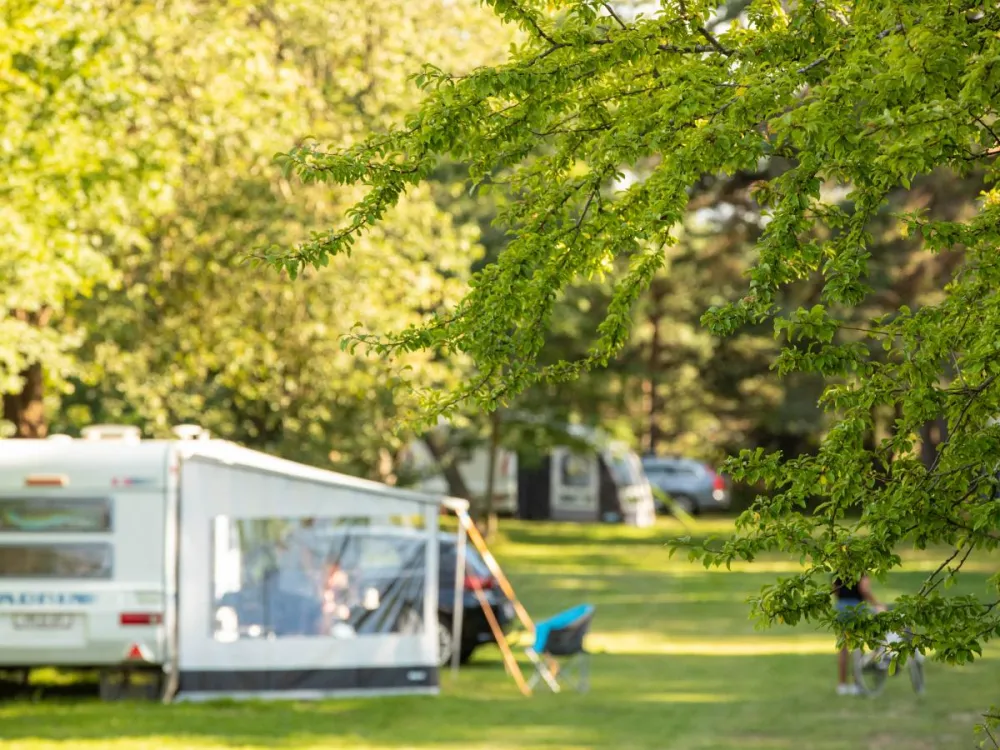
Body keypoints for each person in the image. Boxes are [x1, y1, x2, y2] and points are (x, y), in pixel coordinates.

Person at [833, 571, 884, 695]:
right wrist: (877, 604)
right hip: (856, 609)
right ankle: (857, 684)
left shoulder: (839, 569)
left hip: (840, 608)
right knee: (857, 648)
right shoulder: (861, 570)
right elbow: (864, 589)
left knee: (843, 648)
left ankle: (842, 685)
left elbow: (835, 590)